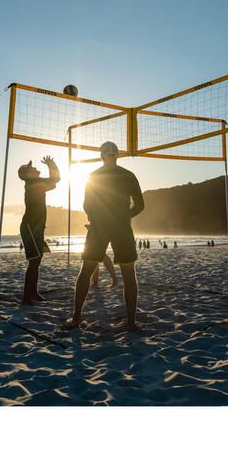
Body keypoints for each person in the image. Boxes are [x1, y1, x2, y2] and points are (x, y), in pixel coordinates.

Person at [67, 141, 144, 331]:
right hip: (121, 227)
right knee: (128, 275)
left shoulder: (94, 176)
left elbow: (86, 205)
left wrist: (95, 218)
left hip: (99, 226)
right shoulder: (127, 175)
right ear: (117, 155)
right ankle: (131, 323)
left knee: (86, 270)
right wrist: (124, 217)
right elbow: (140, 205)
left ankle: (76, 319)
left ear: (101, 156)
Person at [18, 156, 60, 305]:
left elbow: (54, 181)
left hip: (36, 226)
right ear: (27, 174)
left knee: (36, 261)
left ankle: (33, 293)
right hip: (30, 226)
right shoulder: (34, 183)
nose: (35, 168)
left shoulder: (35, 183)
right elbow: (56, 180)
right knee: (34, 262)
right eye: (31, 168)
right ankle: (26, 297)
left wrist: (51, 165)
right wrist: (51, 164)